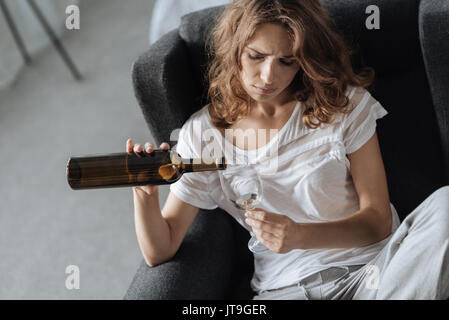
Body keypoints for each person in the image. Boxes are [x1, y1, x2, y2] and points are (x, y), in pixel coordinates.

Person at [127, 0, 449, 300]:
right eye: (256, 56)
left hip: (377, 276)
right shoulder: (203, 134)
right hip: (287, 291)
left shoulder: (343, 105)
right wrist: (144, 197)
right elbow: (161, 248)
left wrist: (299, 235)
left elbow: (377, 221)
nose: (269, 77)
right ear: (235, 49)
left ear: (304, 60)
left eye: (286, 61)